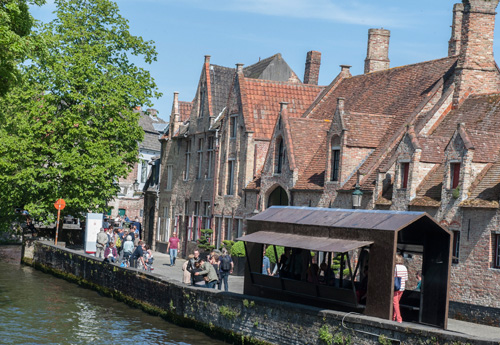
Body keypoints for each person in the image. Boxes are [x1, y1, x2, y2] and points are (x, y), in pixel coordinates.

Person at [393, 254, 408, 323]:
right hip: (402, 288)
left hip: (396, 288)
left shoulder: (394, 267)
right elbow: (405, 279)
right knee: (397, 303)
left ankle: (399, 318)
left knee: (395, 303)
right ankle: (393, 317)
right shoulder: (404, 267)